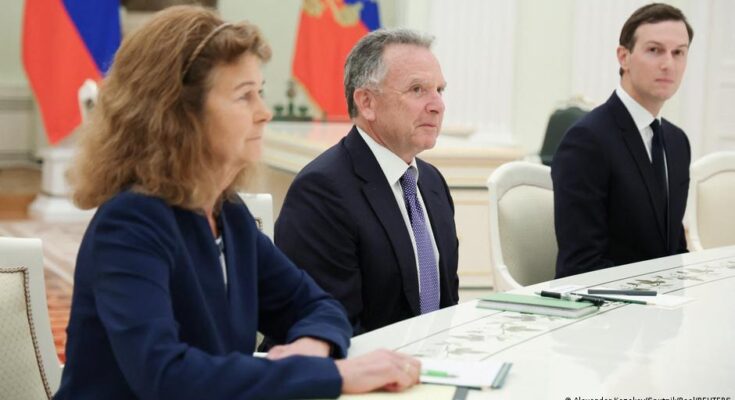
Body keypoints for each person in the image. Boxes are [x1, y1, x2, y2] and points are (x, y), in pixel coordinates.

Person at [54, 6, 420, 399]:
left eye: (259, 93)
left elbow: (318, 305)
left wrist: (312, 348)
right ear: (178, 115)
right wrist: (333, 375)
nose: (265, 113)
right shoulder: (129, 224)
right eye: (245, 96)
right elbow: (166, 376)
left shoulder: (226, 213)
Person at [274, 28, 459, 336]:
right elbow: (330, 327)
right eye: (417, 89)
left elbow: (447, 305)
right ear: (367, 102)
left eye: (439, 90)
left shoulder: (431, 183)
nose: (437, 105)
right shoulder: (322, 191)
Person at [552, 3, 693, 279]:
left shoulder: (678, 142)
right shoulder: (586, 141)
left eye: (678, 52)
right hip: (605, 303)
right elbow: (580, 267)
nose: (668, 64)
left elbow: (674, 251)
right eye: (654, 50)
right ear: (624, 57)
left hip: (666, 302)